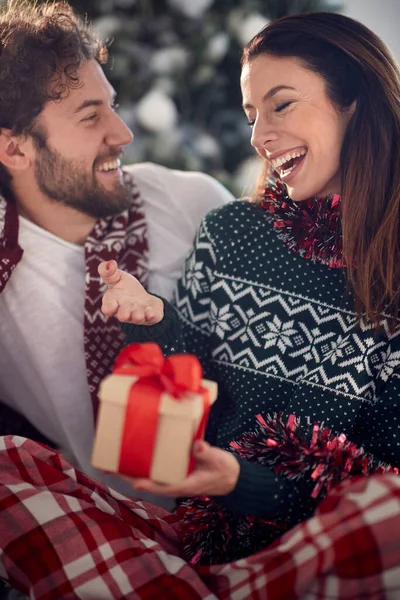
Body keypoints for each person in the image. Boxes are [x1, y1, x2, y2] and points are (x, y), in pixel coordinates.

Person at [1, 10, 400, 599]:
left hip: (323, 531)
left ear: (353, 101)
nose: (258, 136)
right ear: (13, 150)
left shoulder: (184, 201)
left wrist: (242, 482)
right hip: (185, 531)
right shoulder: (233, 232)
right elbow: (199, 370)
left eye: (280, 105)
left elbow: (379, 478)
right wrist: (157, 318)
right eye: (251, 115)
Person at [0, 0, 233, 500]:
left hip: (240, 503)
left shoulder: (192, 204)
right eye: (90, 117)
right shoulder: (5, 264)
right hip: (102, 529)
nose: (123, 135)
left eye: (114, 105)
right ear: (15, 149)